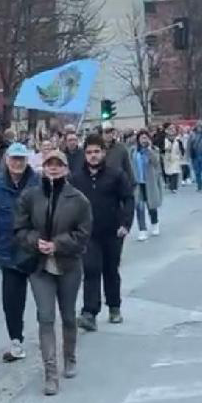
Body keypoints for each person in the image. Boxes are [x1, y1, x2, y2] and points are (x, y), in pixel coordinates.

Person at [15, 150, 91, 395]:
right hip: (39, 266)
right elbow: (19, 228)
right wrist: (35, 241)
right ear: (42, 167)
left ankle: (70, 357)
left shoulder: (78, 199)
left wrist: (58, 244)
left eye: (59, 165)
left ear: (67, 169)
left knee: (68, 316)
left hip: (68, 265)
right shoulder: (30, 196)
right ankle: (50, 374)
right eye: (50, 164)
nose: (54, 168)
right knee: (45, 317)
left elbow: (83, 234)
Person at [70, 135, 134, 330]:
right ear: (84, 154)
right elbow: (70, 204)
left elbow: (128, 199)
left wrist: (126, 224)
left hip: (113, 232)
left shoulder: (116, 175)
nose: (93, 156)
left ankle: (114, 307)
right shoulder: (76, 178)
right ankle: (89, 312)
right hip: (88, 233)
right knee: (91, 269)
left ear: (103, 153)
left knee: (111, 270)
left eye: (97, 152)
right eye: (89, 152)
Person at [0, 143, 40, 363]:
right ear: (6, 160)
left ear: (27, 160)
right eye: (14, 159)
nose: (18, 163)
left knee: (44, 300)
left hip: (36, 251)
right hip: (9, 251)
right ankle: (16, 341)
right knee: (12, 302)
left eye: (21, 159)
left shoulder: (38, 183)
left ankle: (48, 337)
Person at [131, 130, 164, 241]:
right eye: (141, 138)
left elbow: (156, 162)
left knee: (151, 205)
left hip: (150, 182)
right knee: (139, 207)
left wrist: (148, 150)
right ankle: (142, 230)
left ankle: (155, 223)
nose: (143, 140)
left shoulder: (154, 150)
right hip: (138, 183)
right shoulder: (134, 151)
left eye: (146, 138)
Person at [161, 125, 185, 194]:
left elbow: (181, 148)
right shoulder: (164, 140)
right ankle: (169, 183)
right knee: (169, 172)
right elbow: (161, 148)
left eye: (173, 130)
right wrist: (165, 150)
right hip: (167, 158)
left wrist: (182, 154)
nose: (172, 131)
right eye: (170, 130)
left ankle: (174, 187)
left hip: (175, 158)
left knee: (175, 172)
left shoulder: (178, 140)